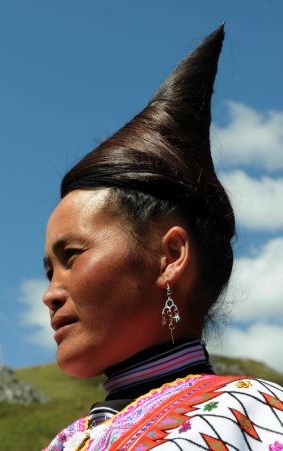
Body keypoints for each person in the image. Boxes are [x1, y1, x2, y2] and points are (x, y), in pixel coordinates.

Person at [42, 25, 283, 451]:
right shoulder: (68, 441)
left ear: (170, 255)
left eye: (73, 256)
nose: (50, 294)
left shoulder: (253, 416)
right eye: (49, 271)